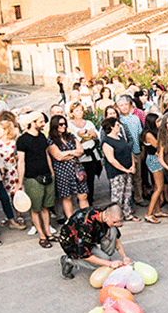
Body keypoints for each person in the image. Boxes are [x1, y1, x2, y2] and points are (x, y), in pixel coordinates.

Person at [15, 111, 57, 247]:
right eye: (40, 121)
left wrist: (51, 172)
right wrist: (20, 182)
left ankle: (48, 233)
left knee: (46, 207)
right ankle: (41, 235)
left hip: (47, 175)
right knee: (35, 208)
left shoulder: (42, 136)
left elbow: (46, 154)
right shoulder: (22, 140)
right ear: (32, 122)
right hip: (32, 178)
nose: (43, 123)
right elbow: (21, 161)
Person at [57, 204, 130, 279]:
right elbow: (84, 254)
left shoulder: (104, 215)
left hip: (88, 238)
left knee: (113, 230)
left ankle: (102, 258)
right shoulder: (86, 225)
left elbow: (116, 239)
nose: (118, 224)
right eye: (114, 222)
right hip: (71, 242)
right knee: (104, 262)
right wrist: (109, 264)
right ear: (106, 216)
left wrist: (124, 257)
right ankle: (69, 260)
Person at [47, 113, 89, 221]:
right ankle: (71, 221)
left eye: (64, 124)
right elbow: (58, 156)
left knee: (83, 195)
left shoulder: (71, 136)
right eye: (60, 124)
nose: (63, 126)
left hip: (77, 169)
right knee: (67, 197)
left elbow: (81, 151)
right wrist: (73, 152)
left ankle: (87, 219)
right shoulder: (51, 140)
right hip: (62, 171)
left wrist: (67, 153)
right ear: (55, 125)